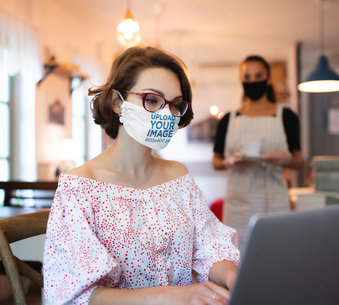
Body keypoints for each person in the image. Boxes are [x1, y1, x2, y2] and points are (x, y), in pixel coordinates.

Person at [43, 46, 240, 305]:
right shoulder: (80, 189)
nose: (165, 114)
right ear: (117, 103)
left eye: (175, 104)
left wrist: (235, 277)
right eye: (152, 100)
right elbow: (73, 294)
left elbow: (210, 246)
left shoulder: (178, 178)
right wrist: (171, 296)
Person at [212, 55, 302, 250]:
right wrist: (230, 161)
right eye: (247, 77)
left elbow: (298, 161)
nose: (252, 81)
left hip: (275, 200)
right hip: (238, 204)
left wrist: (285, 159)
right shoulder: (229, 119)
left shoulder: (286, 116)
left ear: (268, 79)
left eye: (258, 76)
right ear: (241, 80)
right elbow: (216, 161)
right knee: (238, 258)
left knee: (276, 254)